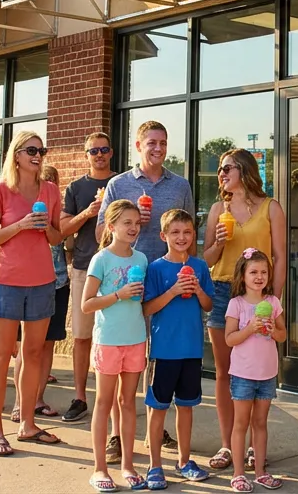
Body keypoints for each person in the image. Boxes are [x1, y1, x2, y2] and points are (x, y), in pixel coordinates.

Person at [99, 120, 194, 460]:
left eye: (163, 142)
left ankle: (157, 426)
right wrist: (134, 220)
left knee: (158, 357)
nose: (158, 148)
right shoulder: (118, 184)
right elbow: (101, 236)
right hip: (127, 282)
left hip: (166, 282)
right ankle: (116, 436)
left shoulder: (180, 184)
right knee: (123, 360)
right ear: (138, 146)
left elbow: (186, 234)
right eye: (151, 142)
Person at [200, 148, 287, 473]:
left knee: (258, 372)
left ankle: (254, 446)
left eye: (227, 168)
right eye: (221, 170)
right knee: (227, 373)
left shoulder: (271, 208)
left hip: (260, 298)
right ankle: (228, 444)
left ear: (245, 170)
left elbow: (278, 256)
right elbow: (205, 260)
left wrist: (273, 302)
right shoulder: (216, 211)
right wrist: (219, 243)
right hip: (223, 293)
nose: (221, 174)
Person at [0, 131, 65, 457]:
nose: (38, 154)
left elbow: (57, 239)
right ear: (16, 155)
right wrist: (21, 225)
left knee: (32, 354)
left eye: (41, 150)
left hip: (43, 282)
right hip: (6, 282)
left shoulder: (52, 190)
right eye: (31, 149)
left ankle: (27, 425)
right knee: (1, 356)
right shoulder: (0, 191)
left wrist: (45, 228)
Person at [142, 208, 214, 489]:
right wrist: (172, 291)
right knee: (158, 408)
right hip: (163, 350)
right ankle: (154, 465)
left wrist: (197, 290)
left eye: (186, 232)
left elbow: (208, 306)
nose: (181, 237)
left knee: (186, 407)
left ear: (193, 234)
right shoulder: (156, 268)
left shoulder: (199, 266)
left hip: (192, 349)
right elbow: (147, 308)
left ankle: (184, 460)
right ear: (163, 236)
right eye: (175, 232)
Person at [82, 199, 150, 491]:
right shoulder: (102, 260)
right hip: (109, 340)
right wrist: (119, 295)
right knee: (104, 402)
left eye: (136, 223)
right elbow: (86, 304)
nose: (133, 228)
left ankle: (128, 465)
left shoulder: (142, 260)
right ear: (111, 227)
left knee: (128, 403)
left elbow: (143, 302)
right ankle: (99, 468)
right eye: (127, 223)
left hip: (136, 339)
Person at [60, 133, 115, 423]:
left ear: (111, 152)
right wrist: (88, 213)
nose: (99, 154)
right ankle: (80, 397)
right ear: (86, 155)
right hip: (84, 266)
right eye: (93, 150)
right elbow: (62, 228)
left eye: (104, 149)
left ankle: (117, 401)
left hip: (120, 269)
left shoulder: (122, 182)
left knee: (118, 339)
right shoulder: (76, 187)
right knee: (82, 336)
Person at [224, 248, 286, 492]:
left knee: (260, 423)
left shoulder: (273, 302)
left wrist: (271, 330)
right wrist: (249, 328)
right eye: (253, 272)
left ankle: (260, 471)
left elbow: (282, 335)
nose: (259, 276)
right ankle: (238, 474)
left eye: (264, 272)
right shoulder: (236, 304)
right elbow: (229, 339)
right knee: (241, 423)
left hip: (267, 374)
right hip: (242, 375)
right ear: (243, 275)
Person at [13, 163, 68, 421]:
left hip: (57, 282)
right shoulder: (18, 205)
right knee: (27, 347)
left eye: (53, 183)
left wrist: (48, 225)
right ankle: (19, 403)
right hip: (29, 283)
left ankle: (38, 398)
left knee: (48, 346)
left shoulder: (56, 210)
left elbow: (61, 239)